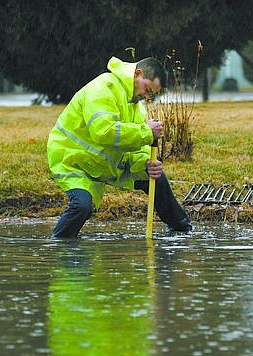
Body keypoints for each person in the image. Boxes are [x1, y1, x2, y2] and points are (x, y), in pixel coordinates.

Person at [47, 56, 192, 238]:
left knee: (156, 176)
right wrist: (147, 133)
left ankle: (183, 230)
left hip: (102, 162)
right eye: (147, 89)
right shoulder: (102, 89)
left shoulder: (135, 106)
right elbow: (104, 131)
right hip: (72, 160)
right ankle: (59, 245)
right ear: (137, 74)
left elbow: (135, 144)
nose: (147, 97)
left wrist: (148, 161)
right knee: (81, 206)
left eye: (151, 94)